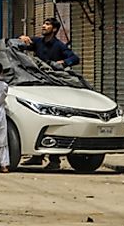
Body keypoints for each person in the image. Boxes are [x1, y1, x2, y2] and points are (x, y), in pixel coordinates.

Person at [19, 17, 80, 169]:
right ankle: (36, 157)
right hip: (37, 84)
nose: (44, 26)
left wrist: (63, 63)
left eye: (47, 25)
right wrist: (22, 39)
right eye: (43, 24)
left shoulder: (59, 46)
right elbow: (23, 44)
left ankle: (54, 160)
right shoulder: (38, 42)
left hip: (53, 85)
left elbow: (75, 58)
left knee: (54, 118)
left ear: (54, 29)